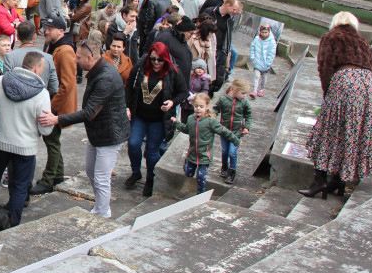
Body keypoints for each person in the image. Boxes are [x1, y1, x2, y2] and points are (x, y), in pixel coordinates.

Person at [39, 39, 129, 217]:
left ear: (89, 57)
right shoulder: (99, 70)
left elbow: (88, 112)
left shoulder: (105, 77)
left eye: (78, 57)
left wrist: (57, 119)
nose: (75, 61)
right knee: (91, 171)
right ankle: (99, 207)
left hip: (110, 135)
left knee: (102, 178)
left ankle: (103, 213)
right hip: (99, 132)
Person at [299, 12, 372, 199]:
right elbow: (371, 70)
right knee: (353, 132)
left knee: (328, 131)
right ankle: (339, 181)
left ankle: (319, 181)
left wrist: (328, 95)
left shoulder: (331, 37)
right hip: (366, 88)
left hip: (345, 83)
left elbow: (325, 67)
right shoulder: (364, 42)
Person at [0, 51, 54, 225]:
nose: (43, 72)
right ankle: (12, 223)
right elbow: (46, 129)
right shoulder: (41, 94)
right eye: (42, 68)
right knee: (20, 188)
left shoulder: (0, 82)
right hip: (25, 148)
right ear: (36, 69)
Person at [125, 43, 187, 197]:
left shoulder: (173, 71)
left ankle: (150, 178)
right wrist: (127, 107)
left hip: (158, 119)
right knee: (133, 144)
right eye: (153, 59)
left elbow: (183, 92)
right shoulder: (141, 67)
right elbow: (129, 87)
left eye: (160, 60)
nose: (156, 63)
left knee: (152, 151)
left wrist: (172, 102)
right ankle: (136, 171)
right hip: (140, 115)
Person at [30, 16, 77, 195]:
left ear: (61, 31)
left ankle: (49, 180)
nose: (46, 31)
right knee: (53, 140)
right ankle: (58, 175)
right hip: (53, 104)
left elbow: (67, 85)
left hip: (56, 107)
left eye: (50, 28)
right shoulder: (54, 46)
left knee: (51, 141)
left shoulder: (65, 51)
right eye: (46, 27)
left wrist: (51, 108)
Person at [171, 94, 241, 194]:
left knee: (200, 176)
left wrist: (236, 140)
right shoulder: (191, 118)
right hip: (192, 154)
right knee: (188, 173)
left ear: (207, 107)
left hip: (204, 156)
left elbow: (224, 131)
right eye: (196, 106)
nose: (198, 109)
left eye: (201, 106)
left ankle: (200, 194)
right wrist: (176, 122)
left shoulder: (211, 121)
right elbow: (186, 129)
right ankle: (187, 163)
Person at [212, 79, 252, 184]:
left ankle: (232, 171)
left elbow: (248, 115)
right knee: (225, 151)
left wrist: (247, 127)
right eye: (242, 93)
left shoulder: (244, 102)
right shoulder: (224, 99)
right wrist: (214, 118)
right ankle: (224, 166)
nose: (244, 96)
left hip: (237, 132)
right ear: (234, 90)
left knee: (232, 152)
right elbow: (215, 109)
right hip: (224, 130)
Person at [5, 20, 60, 96]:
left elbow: (6, 83)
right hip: (40, 101)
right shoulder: (48, 57)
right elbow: (54, 88)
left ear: (17, 37)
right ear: (35, 36)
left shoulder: (10, 56)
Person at [249, 22, 277, 98]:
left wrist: (268, 63)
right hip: (257, 62)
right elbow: (252, 48)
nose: (264, 34)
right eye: (263, 32)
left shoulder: (272, 42)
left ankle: (261, 89)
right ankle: (254, 90)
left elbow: (272, 53)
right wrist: (253, 58)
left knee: (264, 77)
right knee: (256, 76)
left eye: (266, 32)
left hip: (266, 64)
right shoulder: (257, 39)